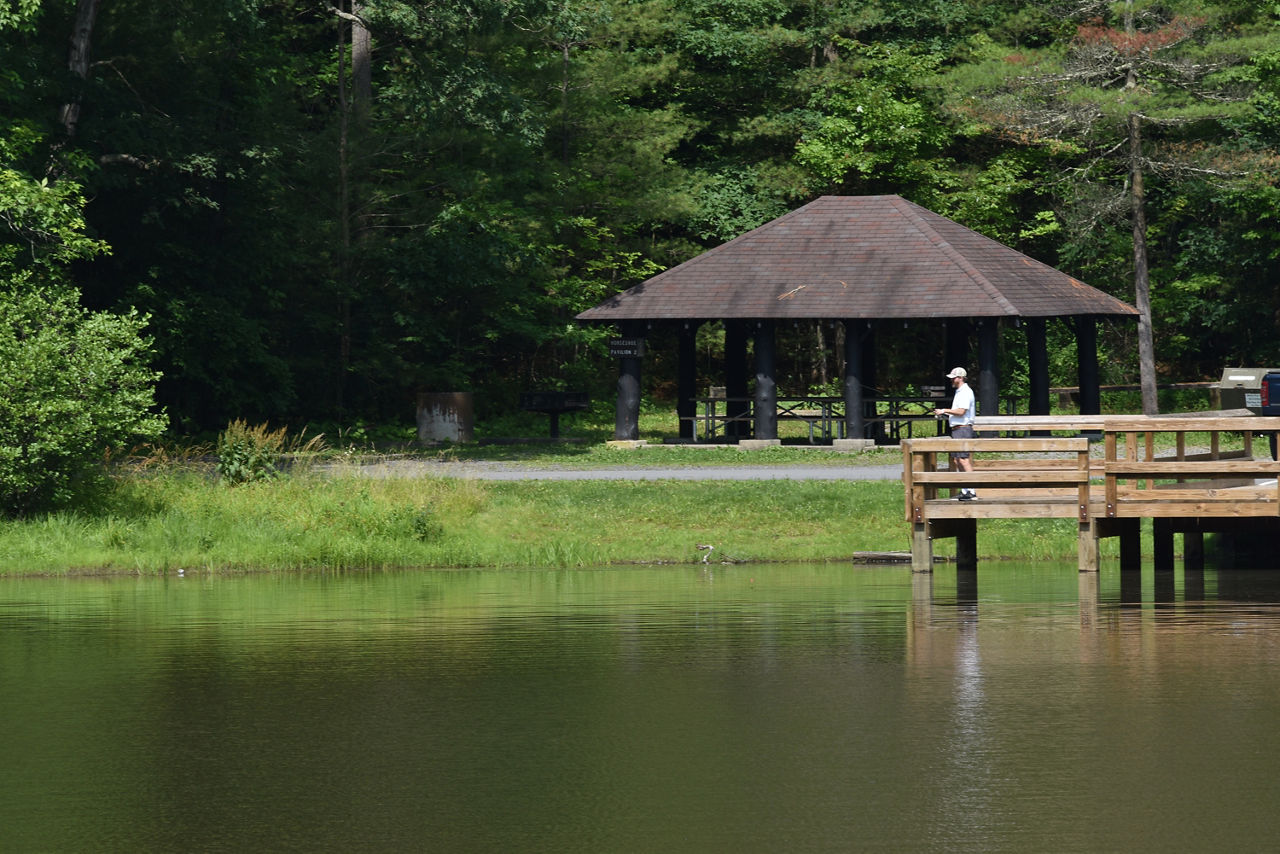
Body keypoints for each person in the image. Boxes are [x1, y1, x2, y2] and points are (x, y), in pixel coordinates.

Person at [933, 367, 977, 500]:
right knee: (957, 460)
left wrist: (944, 410)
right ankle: (965, 491)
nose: (951, 380)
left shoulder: (965, 392)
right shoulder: (960, 391)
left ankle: (972, 491)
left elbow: (961, 412)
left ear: (961, 378)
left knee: (964, 460)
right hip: (957, 429)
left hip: (963, 429)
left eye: (954, 377)